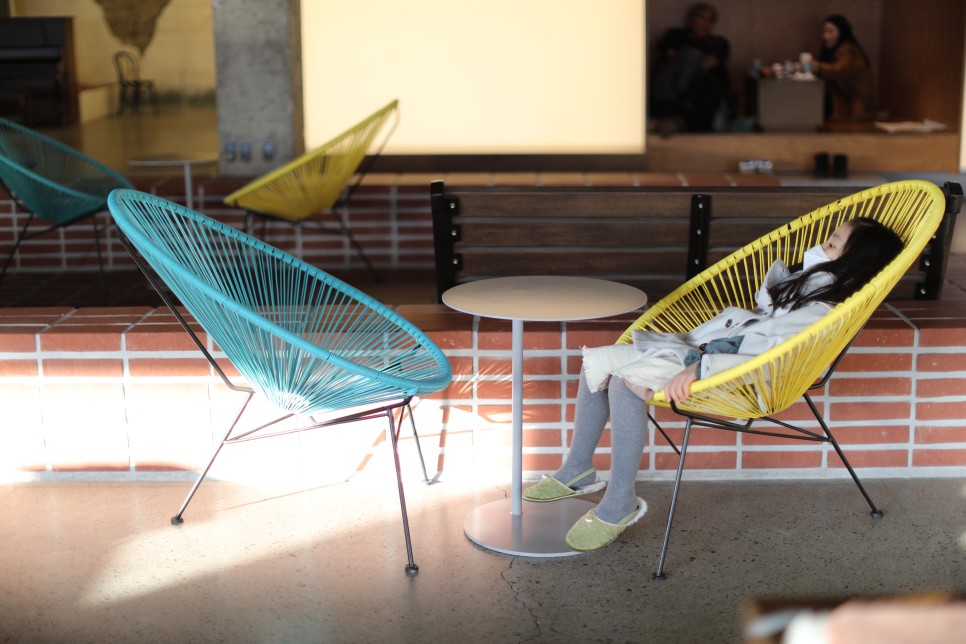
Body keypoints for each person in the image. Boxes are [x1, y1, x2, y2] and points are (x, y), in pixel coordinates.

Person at [523, 218, 904, 552]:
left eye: (833, 244)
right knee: (596, 363)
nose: (821, 246)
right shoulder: (803, 288)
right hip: (707, 354)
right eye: (828, 238)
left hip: (738, 377)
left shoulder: (820, 309)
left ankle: (620, 500)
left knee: (626, 383)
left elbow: (767, 354)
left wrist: (701, 367)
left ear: (852, 263)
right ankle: (578, 468)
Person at [650, 2, 733, 134]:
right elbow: (667, 52)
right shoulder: (675, 36)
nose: (703, 23)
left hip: (698, 94)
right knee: (691, 55)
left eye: (708, 20)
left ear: (712, 25)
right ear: (691, 19)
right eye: (700, 18)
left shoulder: (718, 43)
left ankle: (679, 120)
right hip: (670, 90)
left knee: (706, 78)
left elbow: (716, 61)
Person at [814, 14, 875, 122]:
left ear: (841, 32)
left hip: (854, 104)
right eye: (824, 31)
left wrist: (815, 65)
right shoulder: (832, 50)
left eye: (830, 31)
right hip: (842, 102)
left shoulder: (847, 48)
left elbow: (840, 70)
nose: (826, 35)